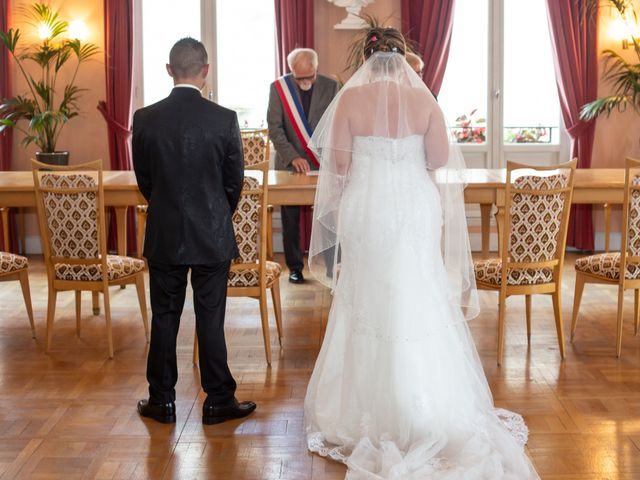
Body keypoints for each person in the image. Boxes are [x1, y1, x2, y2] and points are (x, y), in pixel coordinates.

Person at [304, 24, 540, 478]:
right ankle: (428, 405)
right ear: (403, 60)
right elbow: (437, 159)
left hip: (368, 209)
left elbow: (338, 165)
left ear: (366, 61)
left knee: (369, 297)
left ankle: (367, 407)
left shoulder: (350, 100)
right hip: (413, 208)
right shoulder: (425, 100)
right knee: (418, 292)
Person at [133, 38, 256, 425]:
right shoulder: (224, 119)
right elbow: (234, 181)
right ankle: (219, 399)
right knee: (210, 317)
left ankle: (161, 400)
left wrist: (170, 207)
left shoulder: (146, 118)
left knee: (164, 317)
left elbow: (145, 180)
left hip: (165, 232)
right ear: (206, 71)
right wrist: (217, 213)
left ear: (169, 70)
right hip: (211, 234)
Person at [267, 48, 339, 284]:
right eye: (300, 78)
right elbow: (275, 128)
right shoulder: (279, 89)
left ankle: (332, 267)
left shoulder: (331, 86)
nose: (305, 82)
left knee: (329, 215)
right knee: (290, 218)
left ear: (316, 69)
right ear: (291, 72)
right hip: (290, 165)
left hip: (322, 162)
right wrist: (292, 156)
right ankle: (295, 267)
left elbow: (336, 124)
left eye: (310, 76)